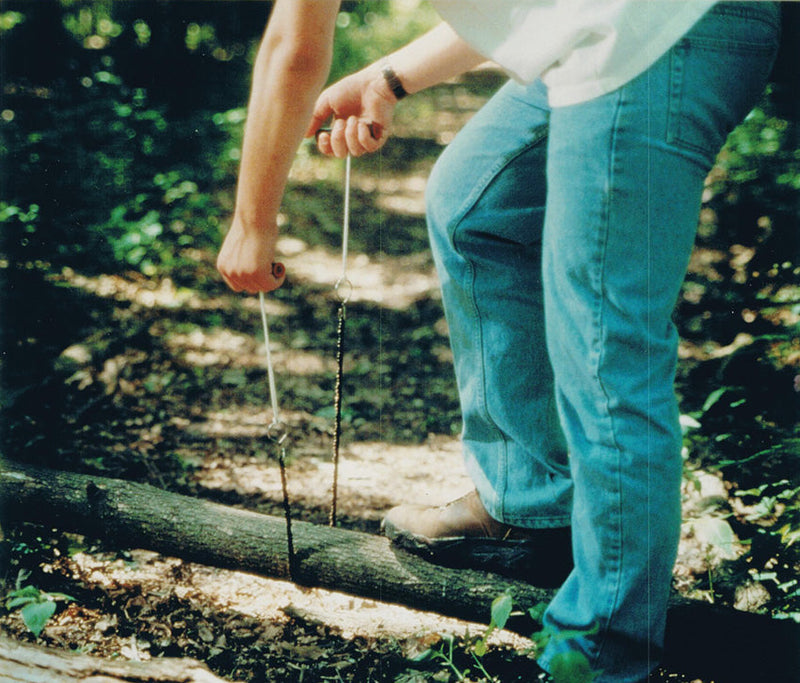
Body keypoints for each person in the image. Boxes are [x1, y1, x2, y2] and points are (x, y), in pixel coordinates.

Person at [217, 2, 781, 680]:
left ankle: (602, 655)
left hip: (661, 32)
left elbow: (294, 45)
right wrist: (391, 78)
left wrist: (252, 223)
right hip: (610, 23)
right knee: (477, 204)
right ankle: (530, 510)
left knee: (605, 340)